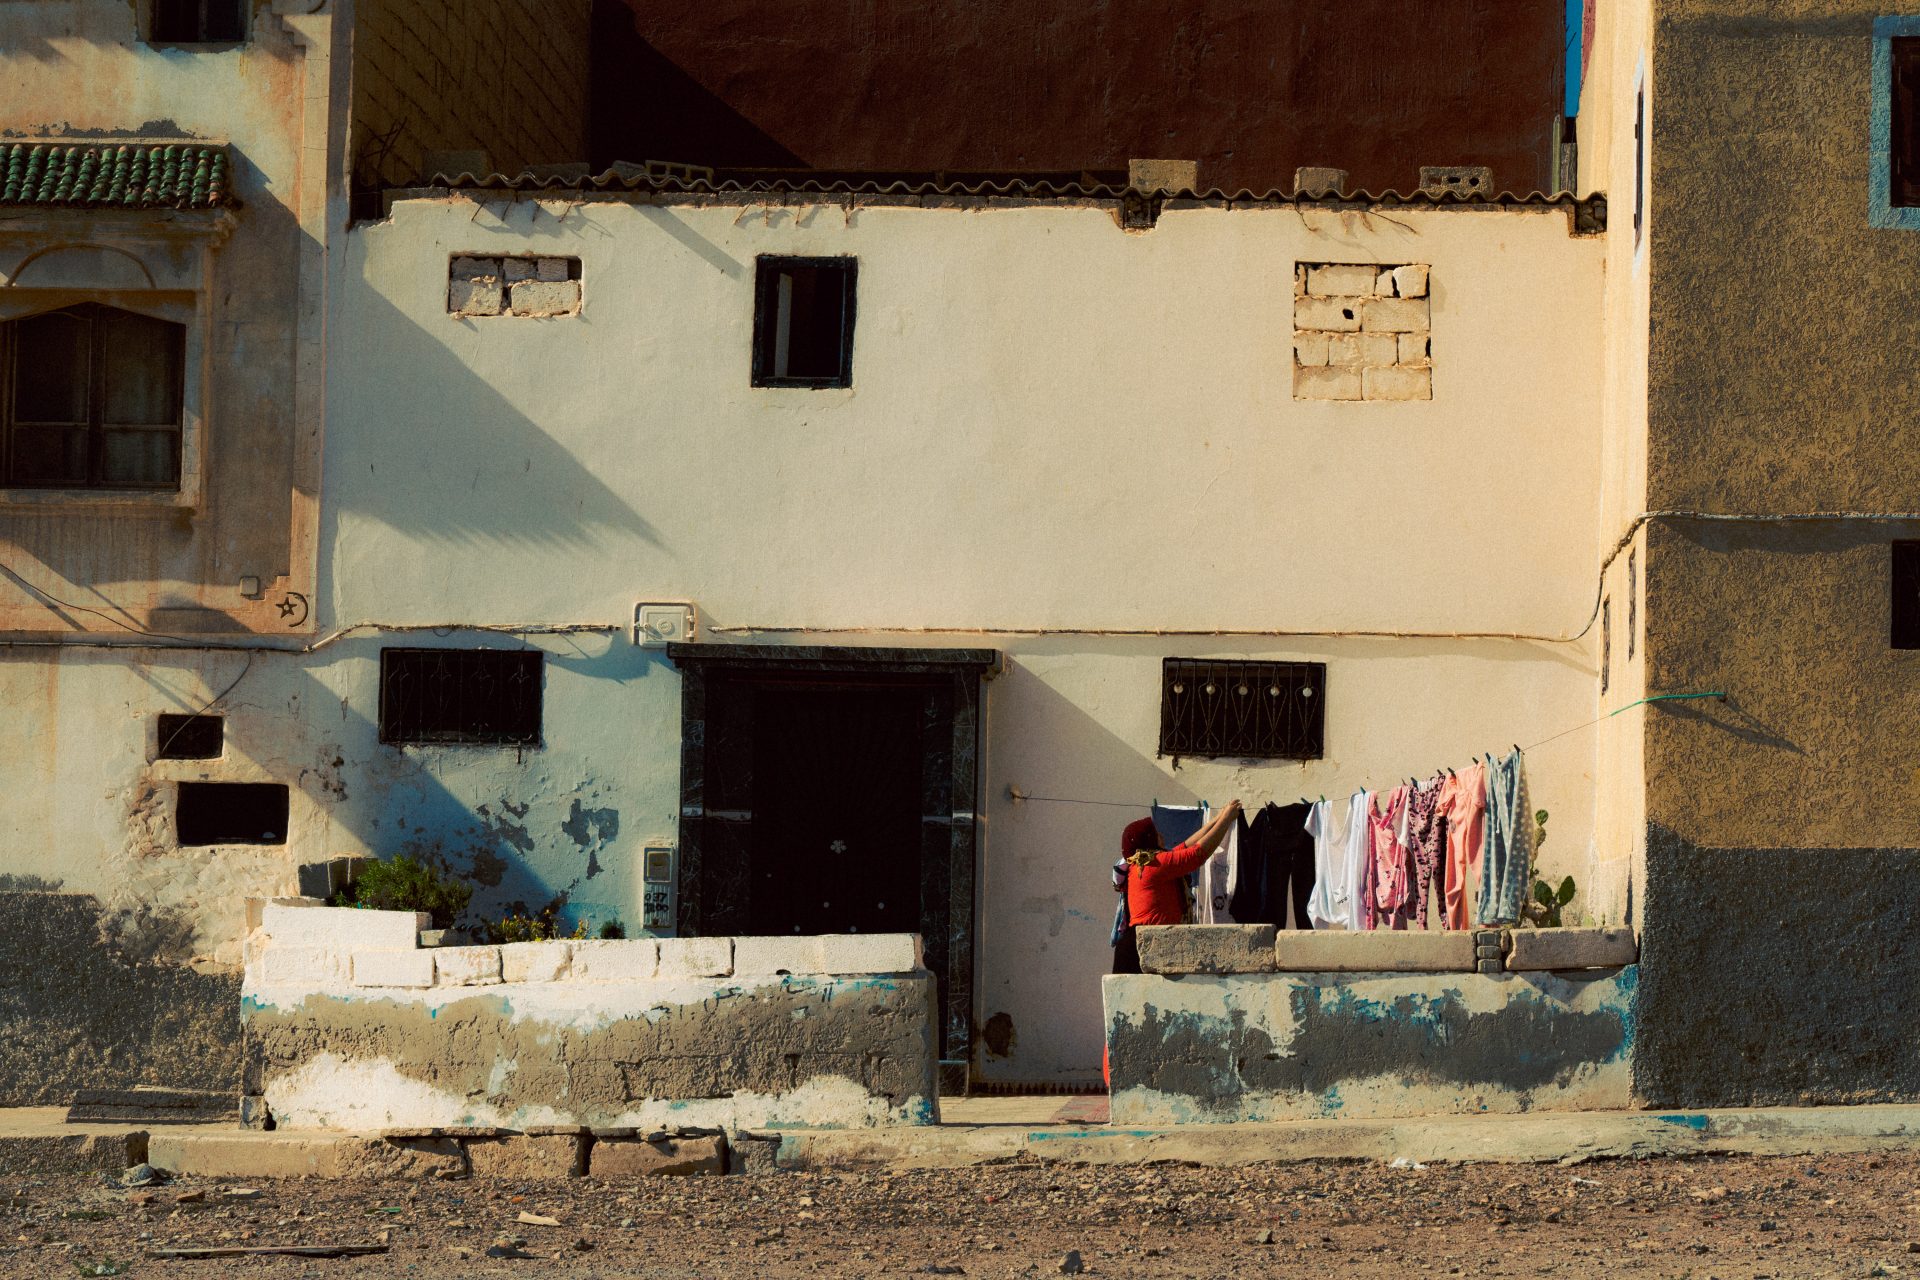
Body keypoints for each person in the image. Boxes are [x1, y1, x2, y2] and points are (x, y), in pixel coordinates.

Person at [1110, 800, 1244, 975]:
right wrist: (1226, 820)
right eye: (1156, 832)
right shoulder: (1153, 865)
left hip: (1138, 944)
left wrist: (1217, 819)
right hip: (1142, 947)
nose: (1161, 834)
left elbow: (1185, 847)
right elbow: (1196, 854)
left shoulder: (1144, 863)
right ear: (1149, 838)